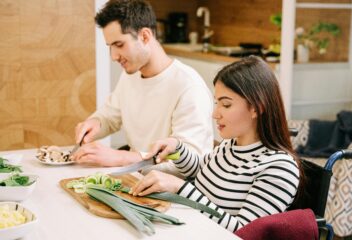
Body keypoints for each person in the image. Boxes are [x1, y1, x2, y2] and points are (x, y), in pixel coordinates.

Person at [132, 56, 304, 232]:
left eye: (226, 105)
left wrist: (179, 187)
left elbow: (244, 232)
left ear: (257, 108)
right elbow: (202, 171)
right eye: (216, 103)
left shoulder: (280, 168)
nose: (215, 114)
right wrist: (178, 149)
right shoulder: (229, 145)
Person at [71, 0, 214, 175]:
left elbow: (189, 162)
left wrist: (121, 157)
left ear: (145, 36)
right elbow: (111, 116)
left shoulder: (189, 86)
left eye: (119, 45)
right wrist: (95, 122)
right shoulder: (130, 75)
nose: (114, 56)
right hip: (135, 180)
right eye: (110, 47)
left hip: (174, 192)